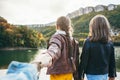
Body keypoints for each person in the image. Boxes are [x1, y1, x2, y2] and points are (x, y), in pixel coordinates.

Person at [78, 14, 117, 80]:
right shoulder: (109, 43)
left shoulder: (88, 42)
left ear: (92, 27)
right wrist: (112, 75)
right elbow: (112, 62)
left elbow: (84, 61)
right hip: (105, 74)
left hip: (92, 74)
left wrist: (80, 76)